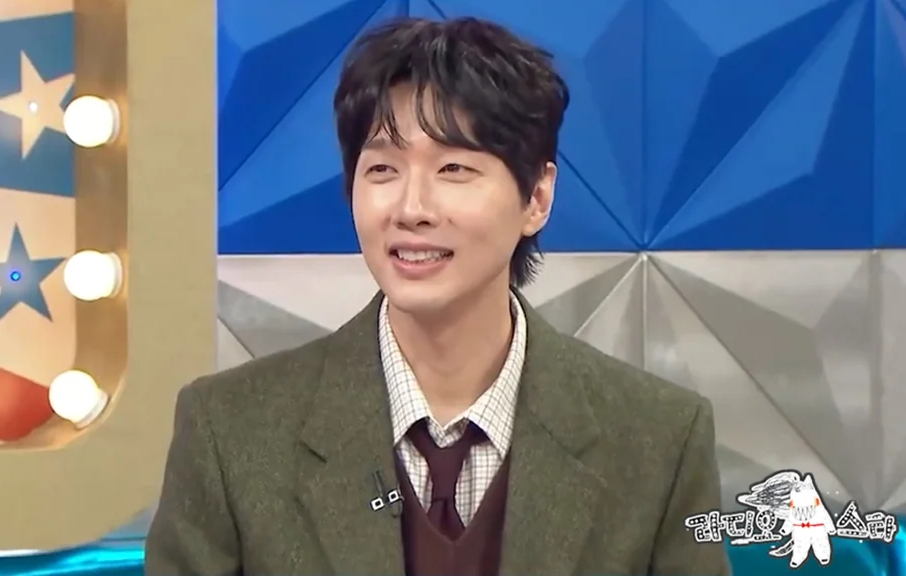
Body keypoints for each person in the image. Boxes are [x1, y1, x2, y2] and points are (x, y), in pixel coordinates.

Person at [145, 16, 730, 576]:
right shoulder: (229, 433)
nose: (412, 209)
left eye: (453, 169)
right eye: (382, 170)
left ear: (537, 197)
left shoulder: (659, 440)